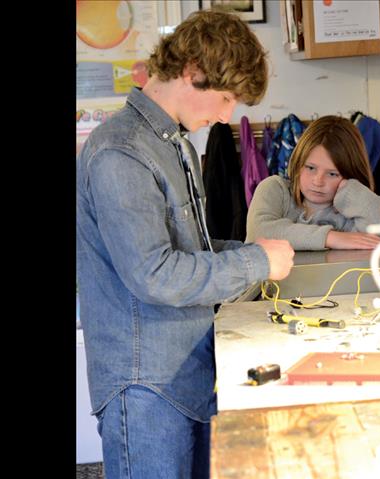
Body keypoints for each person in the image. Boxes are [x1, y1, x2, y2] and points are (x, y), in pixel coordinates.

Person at [76, 10, 294, 479]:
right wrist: (256, 261)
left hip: (186, 369)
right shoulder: (122, 151)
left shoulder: (174, 144)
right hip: (146, 384)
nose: (225, 115)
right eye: (226, 97)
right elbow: (154, 273)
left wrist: (249, 252)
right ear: (193, 70)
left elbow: (187, 248)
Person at [246, 115, 380, 251]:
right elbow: (258, 232)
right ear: (298, 163)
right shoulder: (274, 188)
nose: (318, 181)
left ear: (351, 174)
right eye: (311, 168)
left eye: (332, 174)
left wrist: (351, 189)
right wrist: (331, 238)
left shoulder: (352, 210)